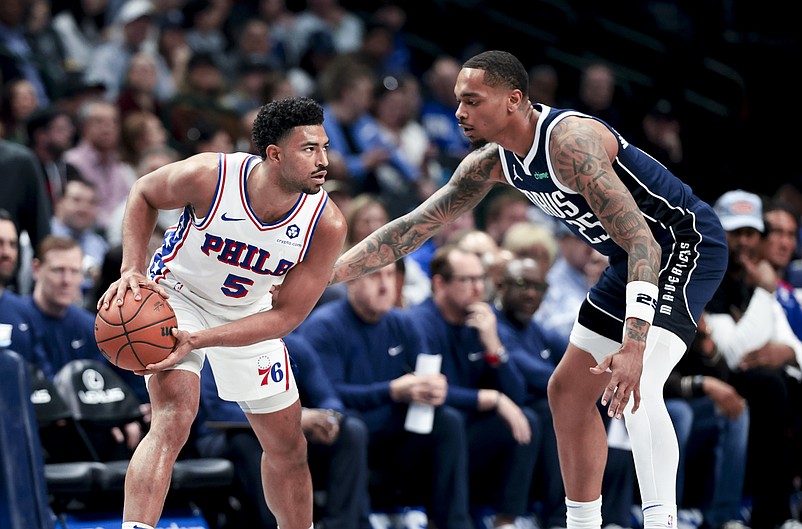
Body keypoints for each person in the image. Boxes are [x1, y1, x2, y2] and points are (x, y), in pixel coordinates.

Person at [330, 50, 729, 529]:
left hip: (682, 243)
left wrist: (635, 341)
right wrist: (328, 275)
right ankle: (584, 523)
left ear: (513, 100)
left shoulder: (570, 143)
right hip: (630, 260)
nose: (459, 112)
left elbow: (644, 237)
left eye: (472, 100)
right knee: (566, 391)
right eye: (458, 100)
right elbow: (415, 226)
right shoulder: (492, 163)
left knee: (637, 380)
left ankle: (660, 522)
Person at [96, 96, 347, 529]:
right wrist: (132, 269)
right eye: (309, 149)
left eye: (324, 147)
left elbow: (285, 317)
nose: (323, 160)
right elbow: (143, 193)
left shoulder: (326, 224)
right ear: (274, 154)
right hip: (177, 296)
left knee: (288, 446)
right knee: (174, 416)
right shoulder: (212, 175)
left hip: (250, 315)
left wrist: (202, 340)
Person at [298, 260, 472, 529]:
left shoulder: (403, 322)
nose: (385, 285)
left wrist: (433, 388)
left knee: (447, 421)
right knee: (352, 428)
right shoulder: (324, 326)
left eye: (390, 275)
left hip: (392, 426)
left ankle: (454, 523)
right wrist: (392, 390)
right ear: (352, 281)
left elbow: (424, 375)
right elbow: (329, 395)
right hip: (345, 429)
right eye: (375, 275)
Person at [407, 245, 538, 529]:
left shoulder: (481, 321)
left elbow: (516, 395)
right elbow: (431, 393)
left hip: (468, 430)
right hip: (424, 435)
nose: (478, 288)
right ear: (439, 283)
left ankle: (506, 521)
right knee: (450, 422)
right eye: (467, 280)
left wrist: (494, 347)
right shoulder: (419, 322)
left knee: (527, 418)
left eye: (481, 279)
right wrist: (490, 399)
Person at [195, 331, 370, 529]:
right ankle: (273, 524)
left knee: (352, 431)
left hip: (288, 431)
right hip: (224, 434)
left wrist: (328, 417)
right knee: (248, 441)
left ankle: (340, 525)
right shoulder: (220, 344)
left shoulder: (293, 345)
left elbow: (327, 396)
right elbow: (219, 411)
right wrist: (293, 419)